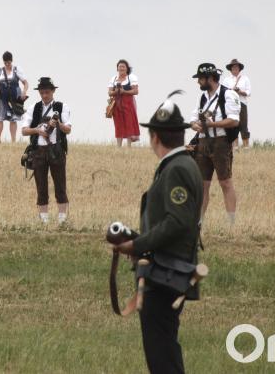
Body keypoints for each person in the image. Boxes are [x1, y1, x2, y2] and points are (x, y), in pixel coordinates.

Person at [112, 99, 203, 374]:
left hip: (166, 274)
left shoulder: (177, 168)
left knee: (162, 355)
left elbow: (177, 223)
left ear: (155, 136)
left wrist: (136, 244)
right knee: (162, 352)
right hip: (166, 271)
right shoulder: (178, 165)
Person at [188, 63, 240, 225]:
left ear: (210, 78)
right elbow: (193, 118)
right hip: (203, 142)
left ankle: (231, 222)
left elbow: (234, 120)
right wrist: (195, 125)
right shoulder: (202, 97)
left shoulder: (229, 94)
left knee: (225, 182)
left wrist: (211, 125)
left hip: (221, 143)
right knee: (202, 185)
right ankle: (198, 223)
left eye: (201, 79)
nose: (198, 82)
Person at [21, 77, 72, 224]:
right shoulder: (33, 108)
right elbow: (24, 131)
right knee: (41, 187)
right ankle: (44, 220)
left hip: (56, 149)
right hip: (39, 151)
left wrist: (58, 124)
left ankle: (62, 220)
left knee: (60, 186)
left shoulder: (62, 107)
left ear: (53, 91)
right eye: (42, 92)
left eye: (47, 92)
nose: (44, 95)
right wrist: (37, 130)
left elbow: (68, 129)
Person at [0, 51, 29, 143]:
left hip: (14, 96)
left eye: (9, 62)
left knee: (13, 118)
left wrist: (24, 92)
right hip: (2, 97)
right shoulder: (0, 71)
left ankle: (13, 141)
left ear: (11, 61)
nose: (7, 64)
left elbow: (26, 83)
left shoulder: (16, 70)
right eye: (5, 62)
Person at [107, 59, 140, 147]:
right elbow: (109, 92)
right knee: (118, 124)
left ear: (127, 68)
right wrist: (116, 91)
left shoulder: (131, 77)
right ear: (117, 68)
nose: (121, 68)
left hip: (128, 103)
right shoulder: (113, 79)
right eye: (119, 66)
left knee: (129, 123)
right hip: (116, 104)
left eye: (123, 66)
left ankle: (129, 146)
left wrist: (124, 91)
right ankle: (119, 146)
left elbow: (136, 91)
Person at [221, 59, 251, 149]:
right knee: (233, 124)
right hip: (231, 104)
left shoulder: (245, 79)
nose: (235, 69)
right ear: (230, 69)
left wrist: (240, 91)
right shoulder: (226, 80)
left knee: (243, 124)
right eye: (233, 67)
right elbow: (223, 92)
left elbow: (248, 92)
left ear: (239, 68)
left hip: (242, 103)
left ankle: (246, 146)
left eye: (236, 67)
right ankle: (235, 146)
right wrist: (232, 91)